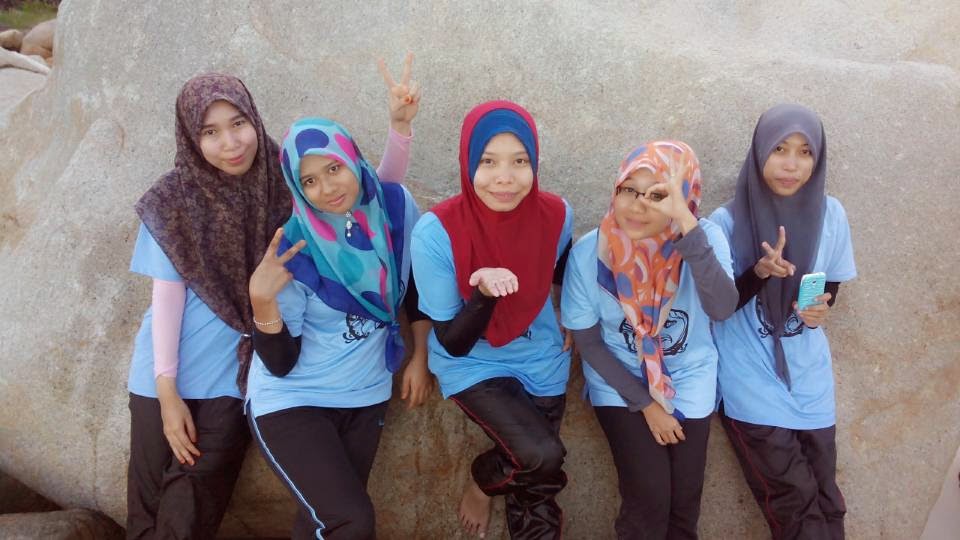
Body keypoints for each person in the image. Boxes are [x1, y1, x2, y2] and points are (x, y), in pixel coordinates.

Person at [127, 57, 418, 540]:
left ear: (254, 119)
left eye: (238, 123)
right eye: (210, 132)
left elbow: (367, 195)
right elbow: (167, 299)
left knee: (188, 514)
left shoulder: (287, 180)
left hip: (233, 372)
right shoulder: (172, 200)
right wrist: (166, 390)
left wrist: (400, 130)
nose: (230, 142)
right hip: (166, 369)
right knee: (146, 507)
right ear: (191, 138)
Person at [245, 60, 427, 538]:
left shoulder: (393, 209)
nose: (326, 188)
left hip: (365, 397)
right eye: (309, 180)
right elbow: (281, 363)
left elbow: (410, 279)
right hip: (294, 402)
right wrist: (262, 304)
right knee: (351, 520)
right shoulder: (295, 248)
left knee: (321, 525)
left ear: (352, 161)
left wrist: (400, 128)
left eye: (333, 168)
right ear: (296, 187)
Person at [410, 100, 574, 539]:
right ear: (468, 164)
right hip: (473, 362)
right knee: (542, 456)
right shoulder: (435, 232)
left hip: (542, 355)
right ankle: (484, 480)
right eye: (488, 161)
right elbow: (453, 341)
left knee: (537, 485)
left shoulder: (557, 214)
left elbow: (562, 265)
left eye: (520, 161)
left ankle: (501, 497)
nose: (505, 177)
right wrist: (483, 296)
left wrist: (572, 314)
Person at [561, 141, 737, 539]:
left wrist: (685, 224)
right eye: (629, 190)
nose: (638, 206)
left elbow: (722, 308)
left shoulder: (703, 238)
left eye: (658, 195)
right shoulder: (591, 252)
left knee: (684, 503)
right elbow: (589, 344)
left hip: (689, 376)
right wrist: (646, 404)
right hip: (619, 379)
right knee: (649, 498)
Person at [709, 104, 856, 540]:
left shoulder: (831, 215)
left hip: (810, 380)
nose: (791, 164)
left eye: (805, 152)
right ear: (759, 151)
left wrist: (821, 307)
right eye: (779, 149)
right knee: (795, 505)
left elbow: (830, 283)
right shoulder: (725, 223)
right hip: (751, 384)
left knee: (828, 501)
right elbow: (718, 305)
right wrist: (759, 272)